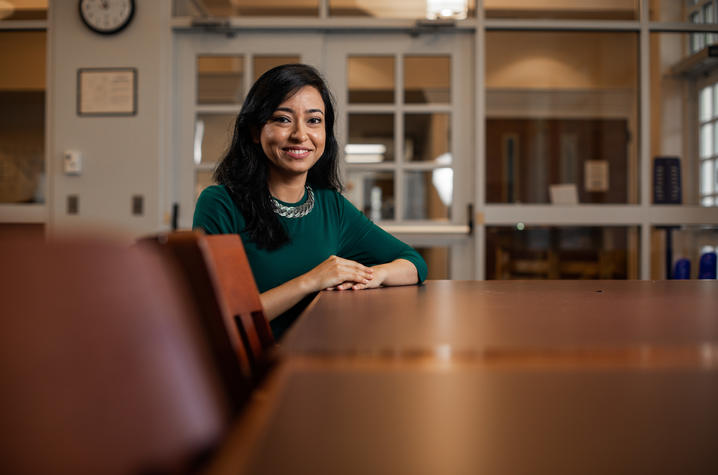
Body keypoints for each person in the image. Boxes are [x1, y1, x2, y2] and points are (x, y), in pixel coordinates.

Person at [193, 64, 427, 338]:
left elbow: (413, 263)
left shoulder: (332, 206)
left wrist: (373, 276)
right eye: (283, 119)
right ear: (256, 131)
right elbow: (224, 322)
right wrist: (312, 281)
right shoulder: (220, 204)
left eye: (314, 121)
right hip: (260, 370)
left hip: (323, 356)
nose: (300, 135)